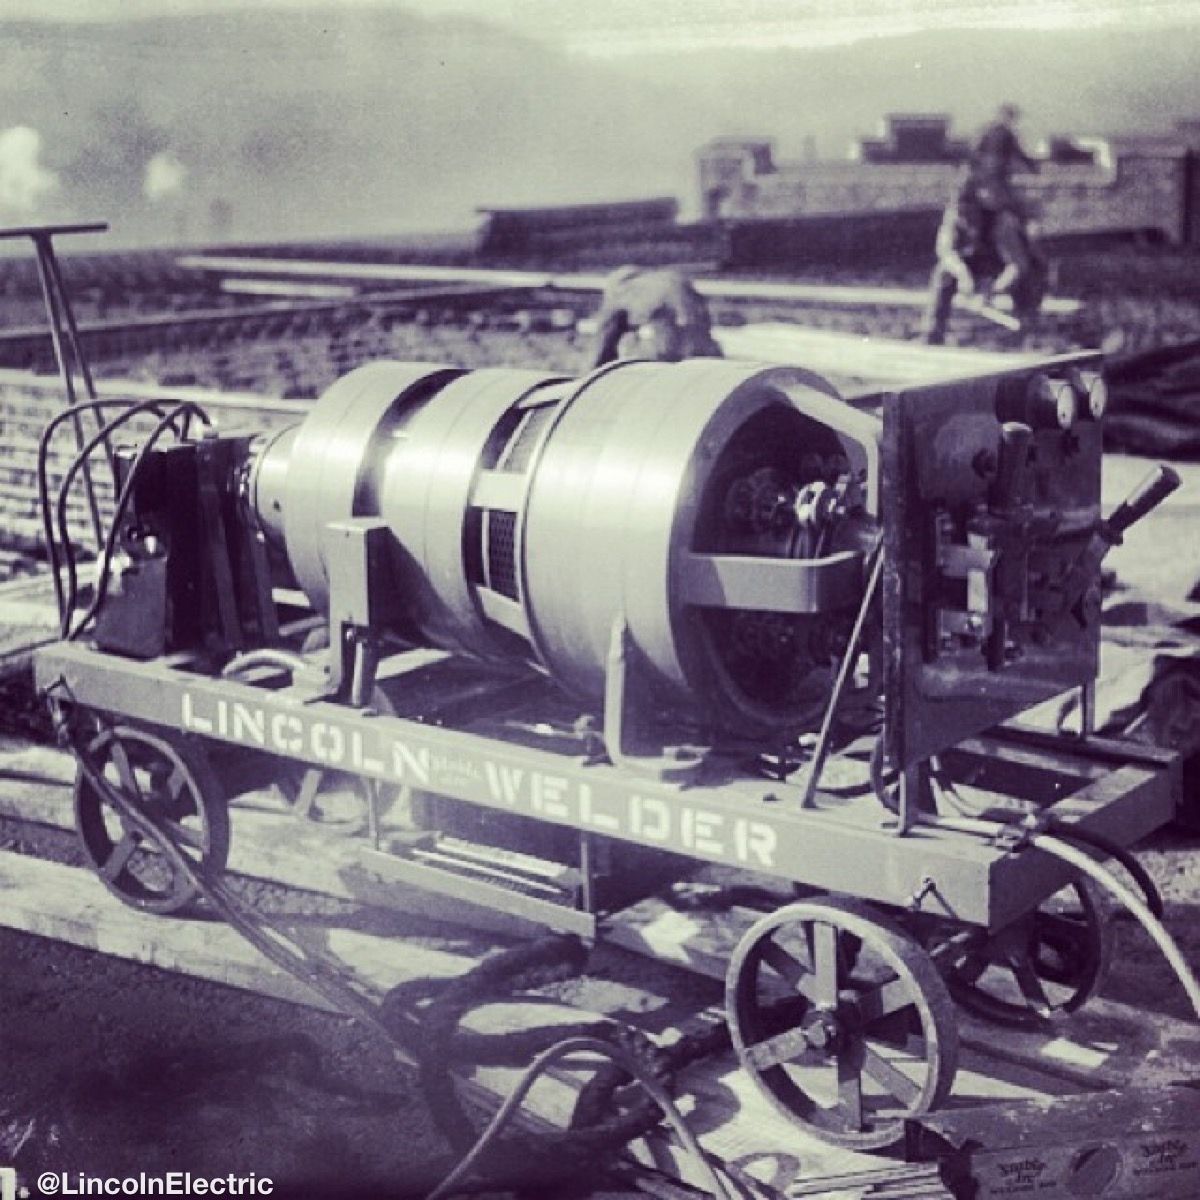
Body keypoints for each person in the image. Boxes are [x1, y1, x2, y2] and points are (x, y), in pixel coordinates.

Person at [586, 265, 722, 368]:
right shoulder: (672, 279)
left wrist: (590, 373)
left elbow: (604, 339)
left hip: (667, 351)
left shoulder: (624, 289)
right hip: (703, 350)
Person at [969, 103, 1039, 217]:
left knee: (986, 200)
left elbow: (976, 151)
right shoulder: (1007, 134)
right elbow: (1018, 152)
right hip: (997, 172)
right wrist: (1032, 166)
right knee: (1003, 201)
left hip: (984, 172)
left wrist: (974, 167)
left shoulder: (987, 131)